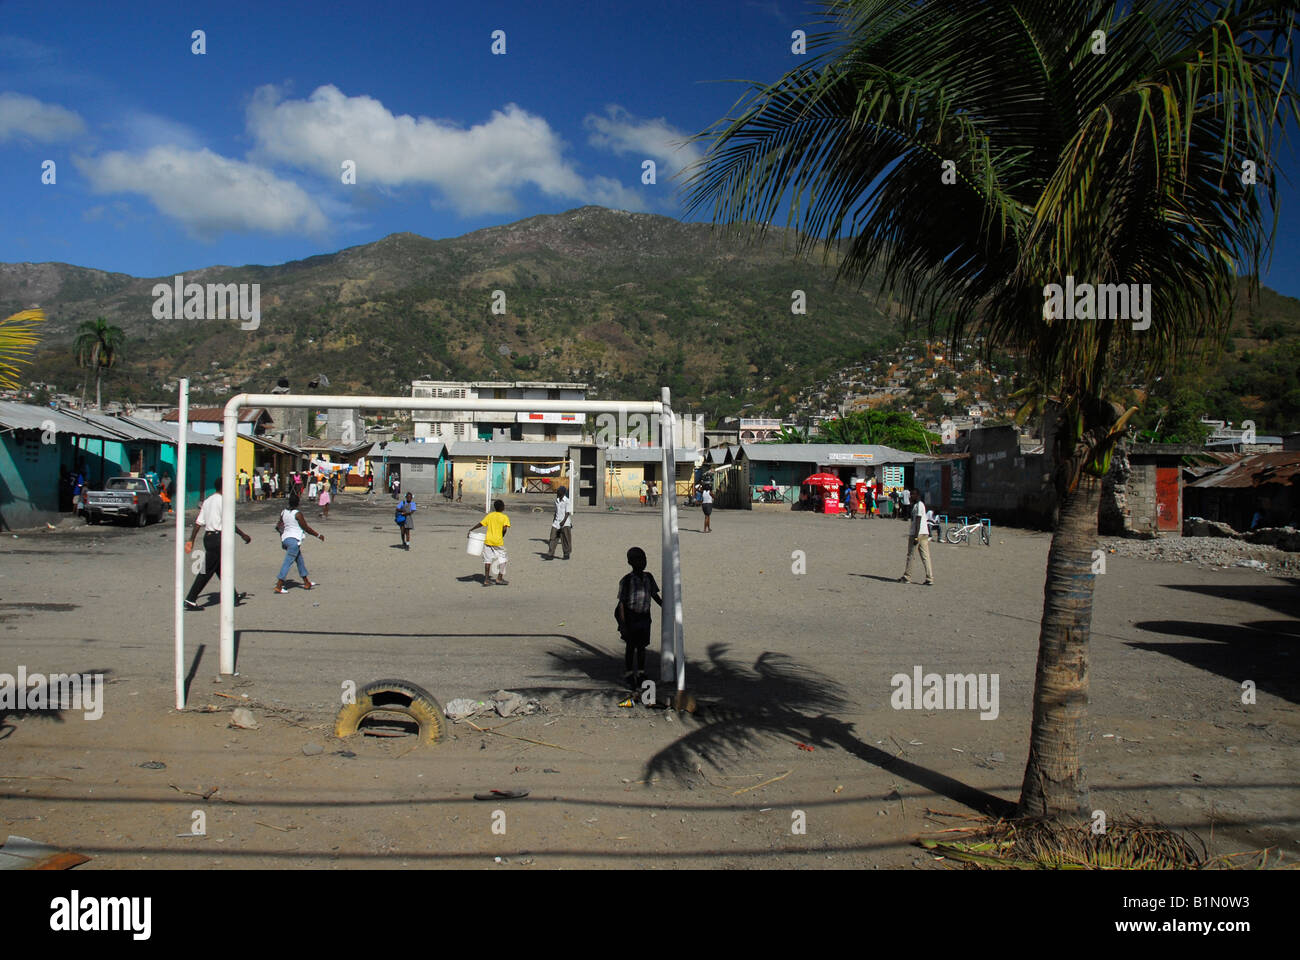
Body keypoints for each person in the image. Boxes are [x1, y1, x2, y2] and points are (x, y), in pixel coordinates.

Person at [183, 478, 251, 609]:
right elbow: (229, 522)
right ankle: (190, 599)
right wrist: (243, 535)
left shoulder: (208, 501)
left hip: (208, 538)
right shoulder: (224, 501)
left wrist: (191, 539)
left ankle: (233, 596)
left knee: (221, 569)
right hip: (218, 538)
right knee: (207, 570)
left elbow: (198, 523)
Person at [615, 546, 662, 690]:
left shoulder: (649, 577)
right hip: (631, 616)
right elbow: (622, 602)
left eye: (644, 559)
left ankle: (641, 672)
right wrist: (623, 624)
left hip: (644, 616)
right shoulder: (627, 580)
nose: (642, 563)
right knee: (630, 646)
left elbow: (654, 594)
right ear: (630, 562)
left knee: (642, 647)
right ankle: (629, 673)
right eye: (638, 560)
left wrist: (664, 606)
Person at [275, 492, 323, 593]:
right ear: (298, 503)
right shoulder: (297, 514)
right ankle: (279, 585)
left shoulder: (283, 512)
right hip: (293, 541)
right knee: (287, 563)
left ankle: (306, 582)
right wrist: (318, 535)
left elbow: (278, 526)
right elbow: (306, 527)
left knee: (299, 561)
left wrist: (282, 536)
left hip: (286, 539)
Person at [468, 499, 510, 586]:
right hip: (498, 541)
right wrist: (502, 535)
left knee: (487, 560)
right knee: (503, 559)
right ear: (502, 508)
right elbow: (505, 529)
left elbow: (481, 523)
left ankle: (486, 579)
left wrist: (472, 529)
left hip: (488, 541)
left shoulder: (490, 515)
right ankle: (499, 578)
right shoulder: (504, 517)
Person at [900, 487, 934, 585]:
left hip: (918, 533)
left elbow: (918, 520)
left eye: (913, 494)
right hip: (923, 533)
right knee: (925, 556)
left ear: (917, 495)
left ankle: (907, 576)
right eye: (911, 494)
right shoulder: (916, 505)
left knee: (911, 555)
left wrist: (915, 536)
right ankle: (929, 578)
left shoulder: (919, 505)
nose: (911, 496)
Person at [545, 485, 573, 559]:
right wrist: (554, 519)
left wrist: (563, 522)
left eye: (559, 491)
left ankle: (566, 554)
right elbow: (556, 511)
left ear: (563, 493)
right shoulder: (556, 501)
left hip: (565, 523)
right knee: (552, 538)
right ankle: (550, 554)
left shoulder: (567, 501)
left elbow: (567, 513)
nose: (557, 492)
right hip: (556, 523)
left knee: (565, 539)